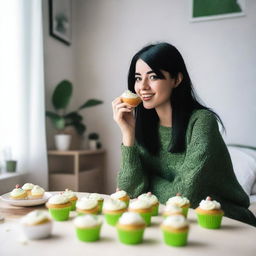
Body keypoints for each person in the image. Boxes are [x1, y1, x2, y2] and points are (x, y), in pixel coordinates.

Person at [112, 42, 256, 226]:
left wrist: (148, 183)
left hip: (224, 219)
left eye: (153, 76)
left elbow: (186, 195)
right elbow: (128, 191)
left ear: (176, 79)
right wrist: (128, 134)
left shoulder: (202, 122)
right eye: (138, 78)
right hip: (171, 219)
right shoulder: (143, 126)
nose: (143, 86)